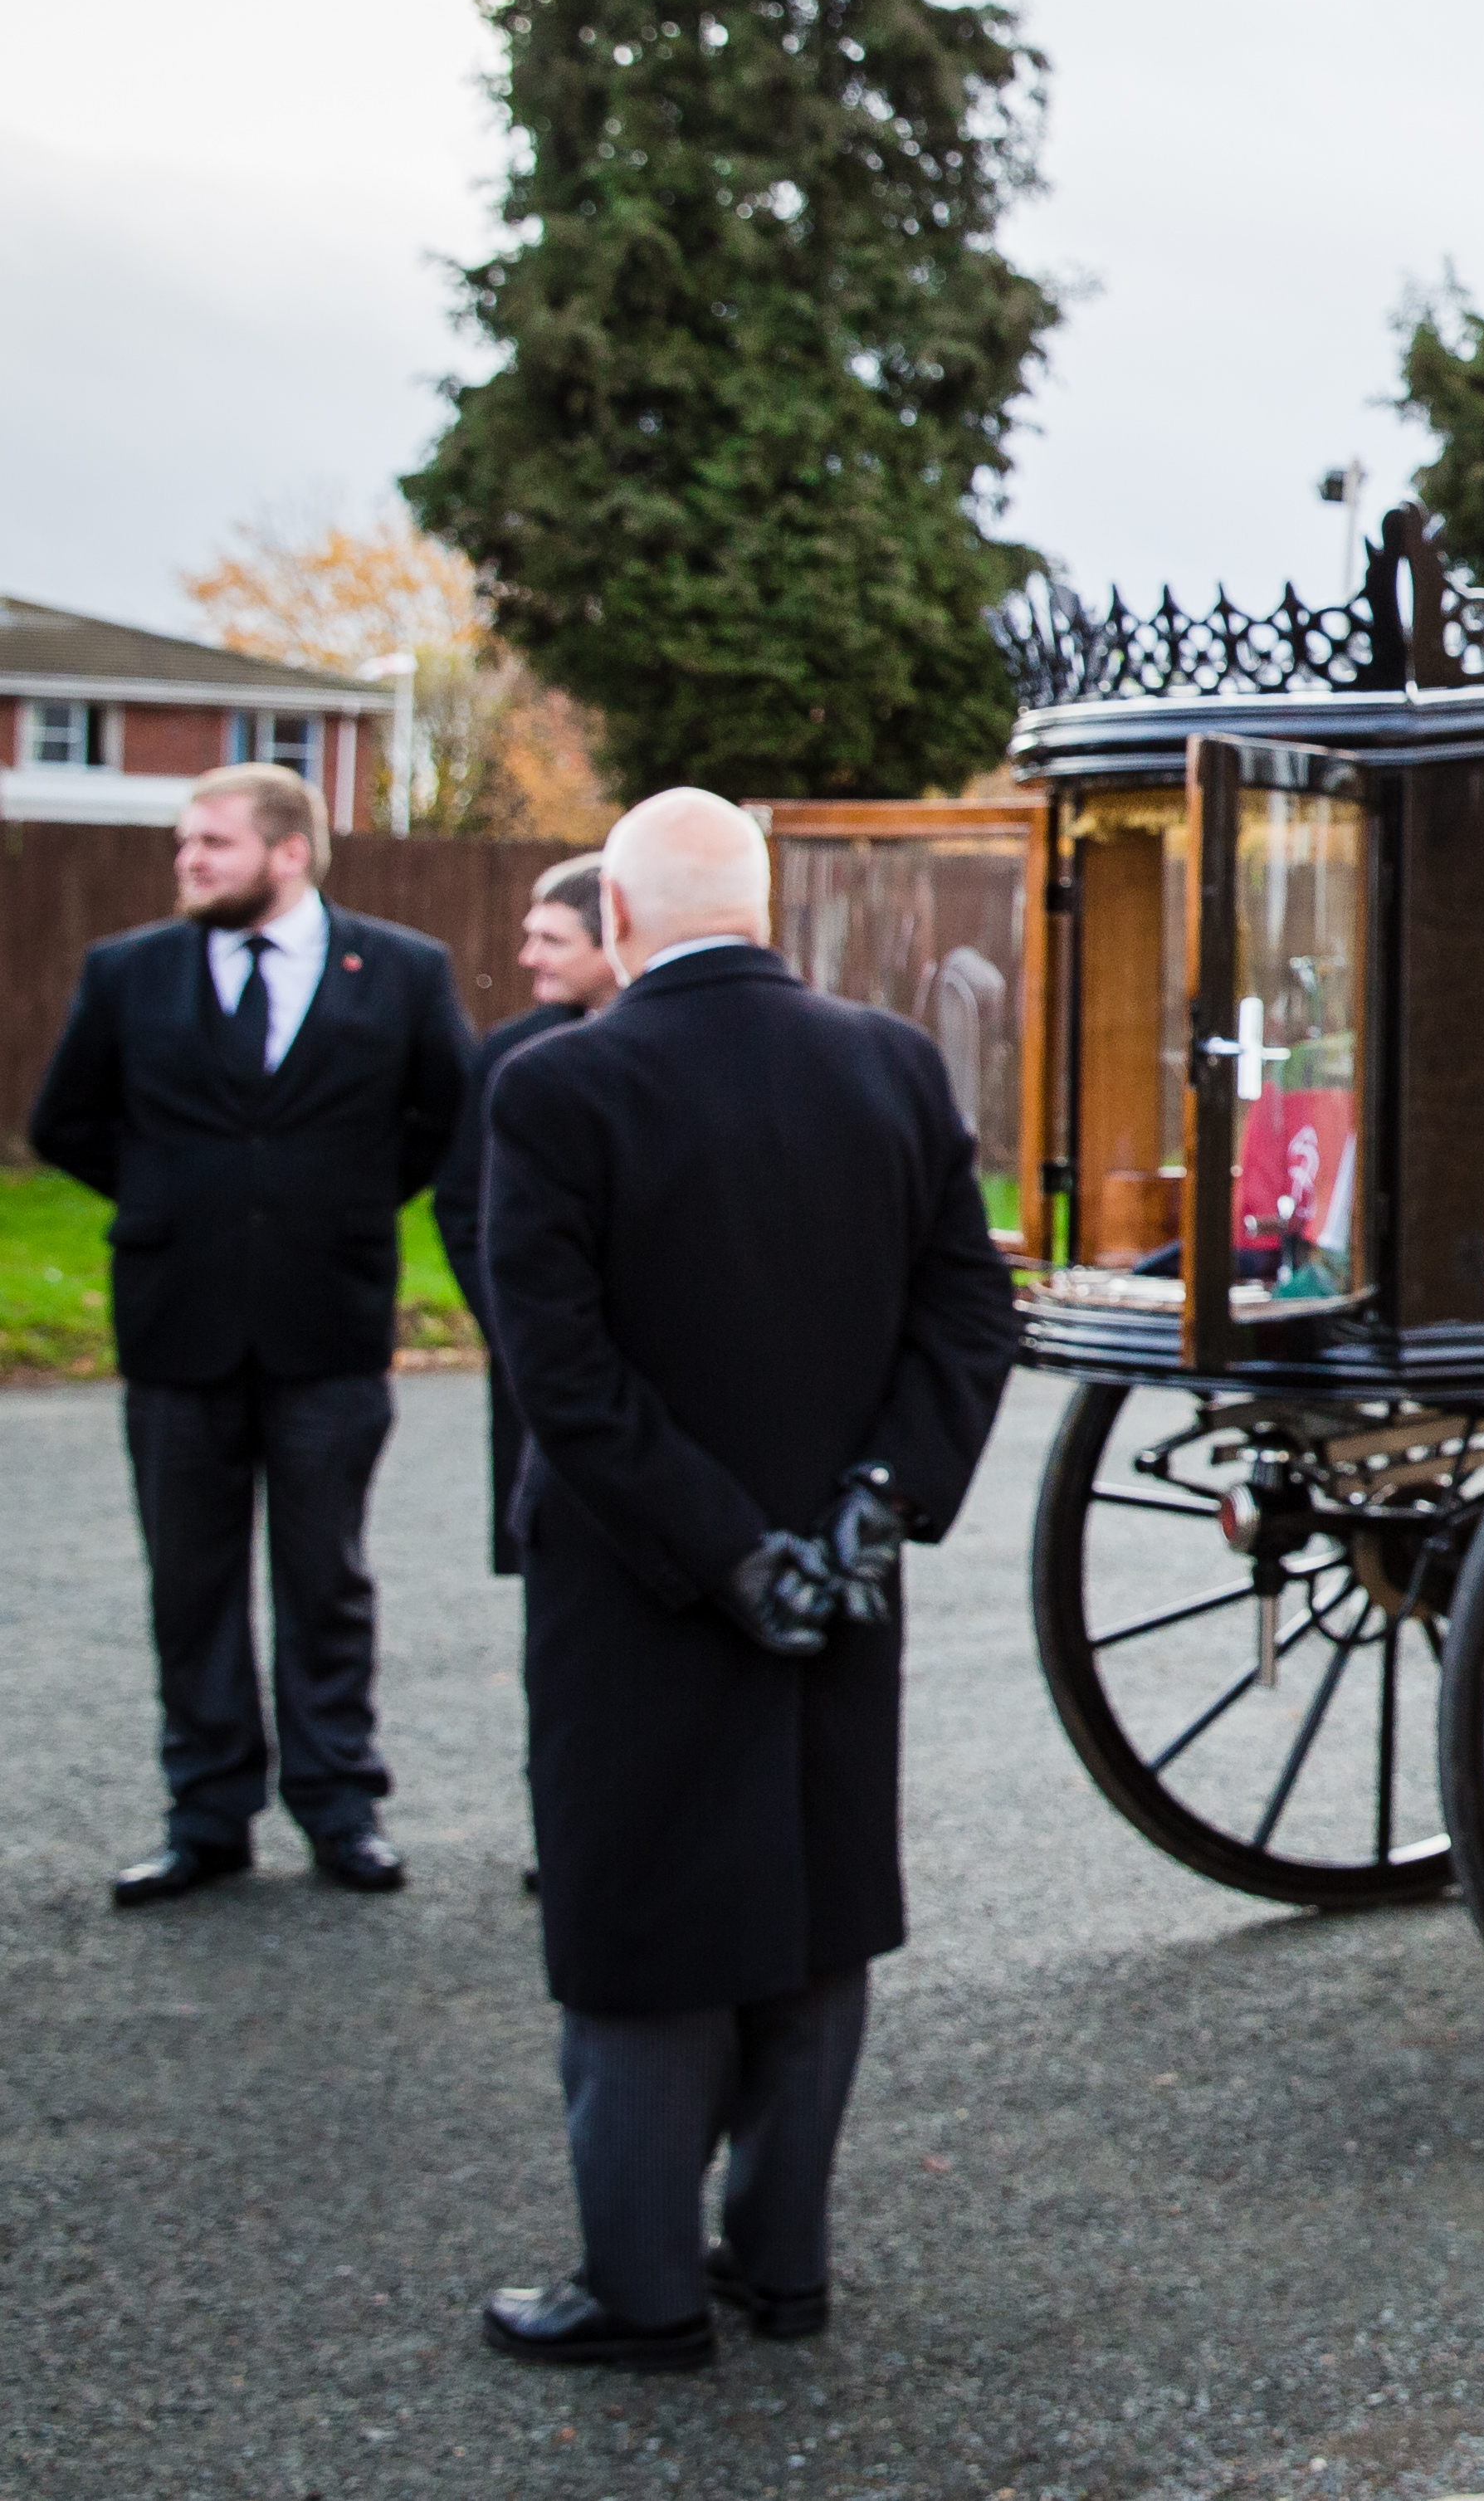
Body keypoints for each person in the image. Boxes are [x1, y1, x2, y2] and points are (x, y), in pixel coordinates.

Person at [472, 789, 1017, 2370]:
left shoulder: (557, 1088)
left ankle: (640, 2293)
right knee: (810, 1898)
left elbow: (561, 1377)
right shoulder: (889, 1065)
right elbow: (970, 1315)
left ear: (622, 921)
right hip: (843, 1573)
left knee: (641, 1913)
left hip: (644, 1578)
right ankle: (782, 2263)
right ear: (763, 911)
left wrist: (720, 1551)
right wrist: (874, 1505)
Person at [27, 761, 473, 1908]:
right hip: (178, 1329)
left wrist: (343, 1204)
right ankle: (207, 1812)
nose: (189, 861)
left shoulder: (404, 971)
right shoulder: (130, 972)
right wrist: (173, 1199)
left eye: (211, 844)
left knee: (327, 1578)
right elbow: (65, 1118)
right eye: (186, 844)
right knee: (191, 1583)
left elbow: (441, 1116)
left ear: (289, 852)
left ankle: (340, 1802)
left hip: (329, 1323)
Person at [432, 856, 617, 1576]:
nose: (526, 957)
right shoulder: (513, 1051)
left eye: (552, 940)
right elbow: (462, 1202)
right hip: (536, 1362)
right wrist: (518, 1323)